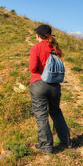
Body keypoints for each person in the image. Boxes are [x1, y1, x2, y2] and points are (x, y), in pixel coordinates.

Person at [29, 24, 71, 154]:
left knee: (41, 116)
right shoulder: (55, 48)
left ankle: (46, 147)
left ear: (38, 35)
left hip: (39, 84)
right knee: (56, 112)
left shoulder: (36, 48)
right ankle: (66, 141)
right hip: (55, 85)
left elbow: (32, 68)